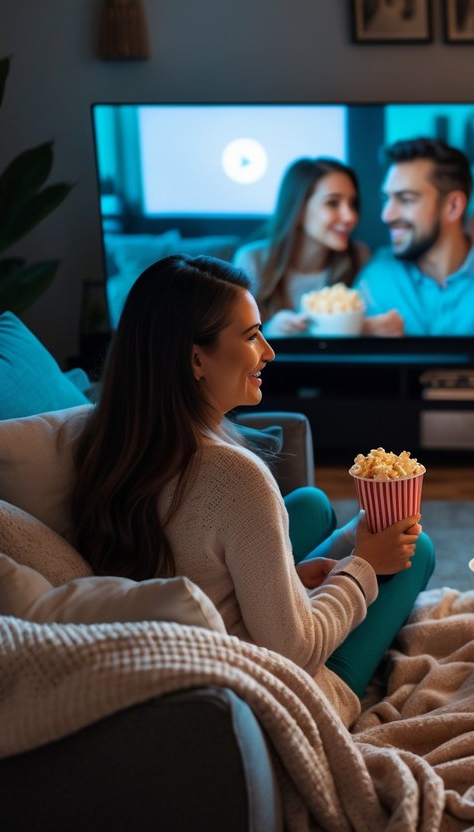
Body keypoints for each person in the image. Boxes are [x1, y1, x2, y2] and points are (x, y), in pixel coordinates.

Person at [70, 254, 434, 720]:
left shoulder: (117, 438)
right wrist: (363, 566)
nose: (269, 351)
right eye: (250, 336)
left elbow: (195, 563)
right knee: (416, 549)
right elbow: (297, 652)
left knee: (310, 504)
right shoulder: (234, 476)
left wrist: (304, 573)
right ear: (196, 359)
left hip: (198, 632)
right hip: (276, 690)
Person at [354, 137, 474, 337]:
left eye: (405, 199)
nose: (387, 215)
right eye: (387, 199)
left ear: (453, 206)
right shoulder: (378, 275)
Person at [233, 157, 402, 337]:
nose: (350, 217)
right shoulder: (252, 261)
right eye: (332, 203)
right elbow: (233, 339)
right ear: (298, 210)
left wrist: (364, 328)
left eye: (352, 204)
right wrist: (269, 331)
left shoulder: (359, 256)